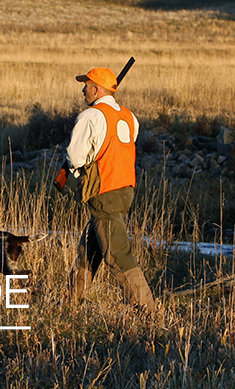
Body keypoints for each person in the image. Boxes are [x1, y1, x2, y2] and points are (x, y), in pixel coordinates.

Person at [55, 66, 154, 308]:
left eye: (86, 85)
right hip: (125, 191)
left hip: (104, 192)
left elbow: (76, 157)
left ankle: (149, 313)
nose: (83, 89)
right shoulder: (129, 117)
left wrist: (77, 170)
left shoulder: (91, 116)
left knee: (116, 255)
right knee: (90, 248)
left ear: (97, 89)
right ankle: (69, 305)